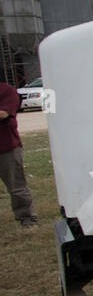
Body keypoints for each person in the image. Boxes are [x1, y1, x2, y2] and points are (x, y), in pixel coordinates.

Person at [1, 81, 38, 229]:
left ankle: (28, 220)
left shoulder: (7, 91)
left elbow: (4, 113)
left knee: (16, 187)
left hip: (6, 148)